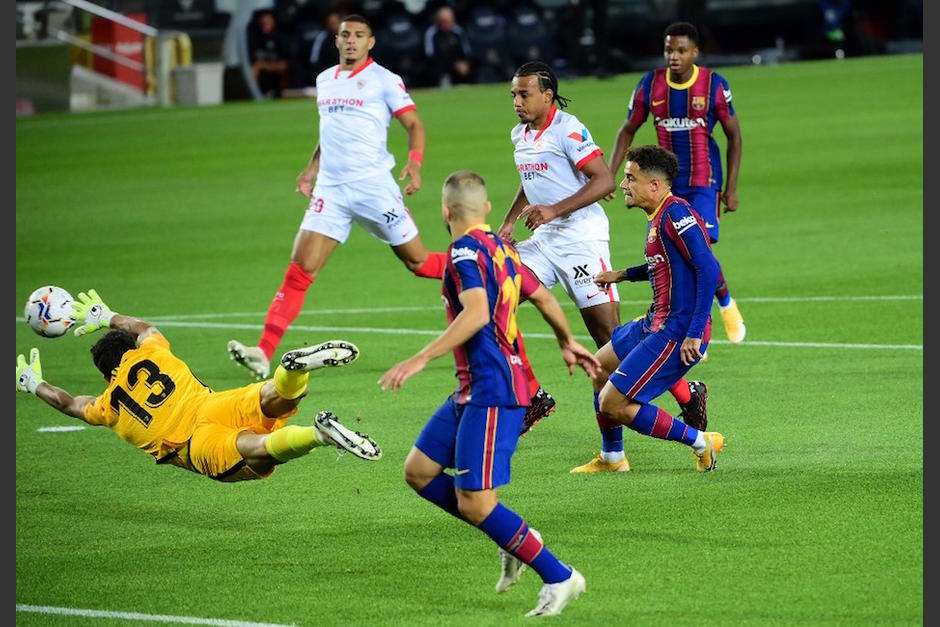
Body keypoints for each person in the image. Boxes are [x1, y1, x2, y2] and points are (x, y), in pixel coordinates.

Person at [379, 171, 600, 617]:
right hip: (473, 388)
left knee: (476, 502)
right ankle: (510, 538)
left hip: (495, 391)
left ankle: (559, 576)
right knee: (419, 471)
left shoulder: (462, 251)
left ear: (446, 212)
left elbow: (477, 311)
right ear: (486, 209)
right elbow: (541, 297)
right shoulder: (502, 248)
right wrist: (565, 339)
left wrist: (420, 359)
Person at [496, 61, 706, 472]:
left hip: (581, 242)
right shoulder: (520, 134)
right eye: (514, 96)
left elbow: (604, 181)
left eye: (524, 95)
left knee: (609, 343)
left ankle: (685, 396)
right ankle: (533, 394)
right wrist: (509, 219)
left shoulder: (569, 130)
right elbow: (531, 179)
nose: (517, 103)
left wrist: (554, 209)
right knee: (496, 298)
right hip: (543, 241)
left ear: (547, 96)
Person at [227, 14, 444, 380]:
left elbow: (414, 125)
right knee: (300, 270)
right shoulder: (325, 80)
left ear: (370, 42)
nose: (351, 41)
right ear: (337, 40)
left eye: (359, 35)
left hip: (374, 187)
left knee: (419, 263)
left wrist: (416, 163)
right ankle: (263, 352)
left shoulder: (385, 81)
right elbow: (330, 132)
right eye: (345, 35)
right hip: (332, 189)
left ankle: (486, 267)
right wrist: (311, 167)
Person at [16, 290, 380, 482]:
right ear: (129, 350)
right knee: (274, 398)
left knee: (259, 449)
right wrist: (108, 317)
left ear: (106, 375)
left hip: (192, 444)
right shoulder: (154, 353)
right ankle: (292, 371)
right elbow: (145, 328)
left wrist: (34, 383)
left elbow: (68, 404)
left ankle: (319, 435)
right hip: (210, 404)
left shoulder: (108, 405)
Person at [608, 21, 745, 345]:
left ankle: (720, 307)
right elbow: (627, 128)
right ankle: (673, 317)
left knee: (700, 250)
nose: (674, 55)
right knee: (666, 251)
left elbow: (734, 135)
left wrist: (732, 187)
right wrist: (610, 176)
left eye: (681, 50)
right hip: (663, 182)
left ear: (695, 52)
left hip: (703, 180)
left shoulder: (713, 85)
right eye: (669, 49)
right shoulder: (650, 85)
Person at [591, 145, 725, 472]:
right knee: (598, 366)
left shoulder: (677, 214)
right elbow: (662, 264)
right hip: (655, 322)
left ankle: (700, 441)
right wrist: (621, 275)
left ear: (654, 185)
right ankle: (613, 458)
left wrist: (694, 334)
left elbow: (708, 268)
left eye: (630, 178)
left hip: (676, 332)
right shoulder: (659, 216)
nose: (623, 185)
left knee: (613, 403)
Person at [423, 6, 472, 87]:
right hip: (439, 68)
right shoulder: (431, 33)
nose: (446, 25)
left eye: (448, 21)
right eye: (443, 22)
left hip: (459, 69)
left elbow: (466, 52)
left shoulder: (459, 32)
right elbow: (430, 56)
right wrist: (454, 64)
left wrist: (464, 64)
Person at [248, 9, 290, 98]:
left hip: (276, 71)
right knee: (254, 69)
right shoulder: (255, 39)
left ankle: (282, 94)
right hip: (263, 74)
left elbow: (283, 65)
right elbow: (254, 64)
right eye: (264, 21)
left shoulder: (280, 38)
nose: (266, 23)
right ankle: (255, 96)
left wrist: (263, 65)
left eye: (269, 20)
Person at [308, 10, 341, 76]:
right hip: (327, 73)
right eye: (331, 23)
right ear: (327, 24)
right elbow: (314, 60)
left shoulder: (348, 37)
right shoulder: (322, 37)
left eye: (336, 22)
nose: (334, 25)